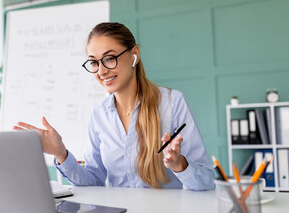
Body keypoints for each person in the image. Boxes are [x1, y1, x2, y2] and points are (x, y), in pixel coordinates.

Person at [13, 22, 215, 190]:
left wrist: (180, 165)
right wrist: (61, 153)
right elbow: (94, 181)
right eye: (94, 63)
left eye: (109, 59)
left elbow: (207, 181)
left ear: (133, 55)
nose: (101, 71)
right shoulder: (99, 114)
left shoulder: (172, 102)